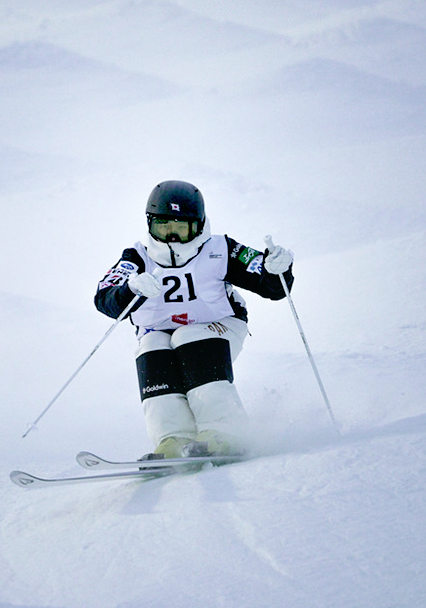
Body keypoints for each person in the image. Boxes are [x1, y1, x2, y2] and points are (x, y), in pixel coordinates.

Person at [94, 180, 294, 460]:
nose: (171, 236)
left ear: (198, 226)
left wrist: (277, 271)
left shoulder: (220, 250)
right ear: (150, 223)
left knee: (188, 335)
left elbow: (270, 285)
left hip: (220, 325)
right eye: (163, 226)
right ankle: (174, 438)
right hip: (159, 331)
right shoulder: (137, 257)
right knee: (152, 343)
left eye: (180, 227)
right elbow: (104, 297)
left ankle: (225, 430)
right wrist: (131, 289)